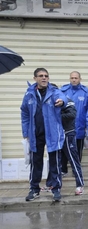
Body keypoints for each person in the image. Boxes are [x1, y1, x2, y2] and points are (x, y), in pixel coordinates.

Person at [21, 68, 68, 202]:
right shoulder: (29, 94)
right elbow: (24, 113)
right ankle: (34, 189)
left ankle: (56, 189)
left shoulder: (54, 91)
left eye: (46, 76)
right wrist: (25, 132)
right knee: (36, 162)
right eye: (41, 76)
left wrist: (62, 102)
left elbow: (63, 97)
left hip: (52, 133)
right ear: (35, 78)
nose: (44, 78)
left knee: (55, 162)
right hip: (36, 133)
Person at [60, 71, 88, 175]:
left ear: (80, 79)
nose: (74, 80)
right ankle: (63, 170)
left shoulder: (85, 92)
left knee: (78, 150)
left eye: (76, 78)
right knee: (64, 150)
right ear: (69, 79)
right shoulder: (63, 91)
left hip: (80, 127)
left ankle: (76, 170)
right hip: (65, 127)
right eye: (72, 78)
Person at [59, 97, 85, 195]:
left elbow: (72, 115)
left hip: (68, 134)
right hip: (55, 135)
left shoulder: (66, 100)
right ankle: (52, 185)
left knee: (74, 160)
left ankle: (80, 184)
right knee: (55, 161)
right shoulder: (47, 101)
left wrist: (56, 114)